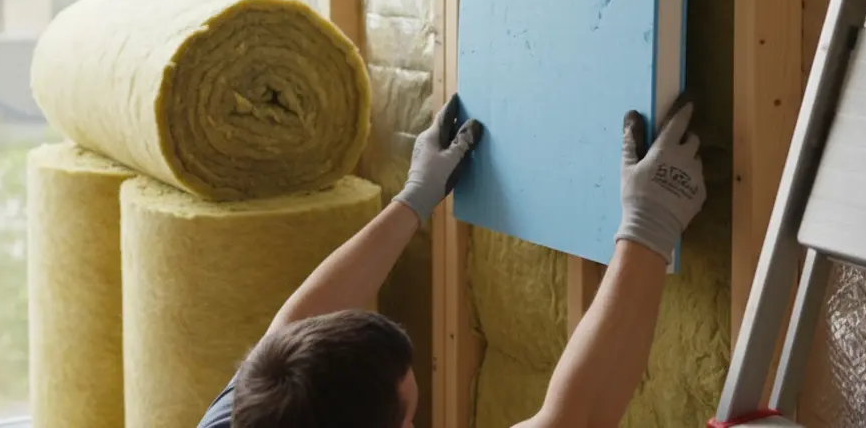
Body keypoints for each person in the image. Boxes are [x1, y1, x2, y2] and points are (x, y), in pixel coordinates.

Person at [196, 93, 707, 428]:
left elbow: (291, 337)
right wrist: (648, 229)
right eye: (409, 420)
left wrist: (413, 199)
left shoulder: (252, 416)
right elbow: (576, 420)